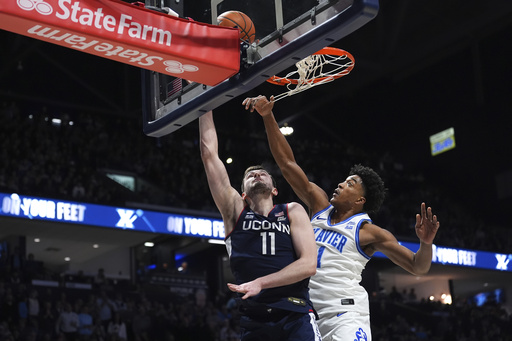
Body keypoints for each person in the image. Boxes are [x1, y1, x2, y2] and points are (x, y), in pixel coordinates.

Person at [243, 95, 440, 341]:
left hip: (345, 313)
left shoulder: (369, 232)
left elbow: (417, 266)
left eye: (350, 184)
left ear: (360, 201)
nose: (340, 184)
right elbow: (286, 163)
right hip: (306, 312)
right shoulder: (318, 205)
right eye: (344, 180)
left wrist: (426, 243)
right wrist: (268, 116)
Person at [199, 110, 321, 340]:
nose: (256, 174)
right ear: (242, 193)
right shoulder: (235, 211)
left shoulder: (292, 210)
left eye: (262, 173)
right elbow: (209, 154)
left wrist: (260, 283)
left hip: (296, 315)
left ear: (275, 190)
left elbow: (308, 265)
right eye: (250, 175)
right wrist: (205, 103)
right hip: (254, 320)